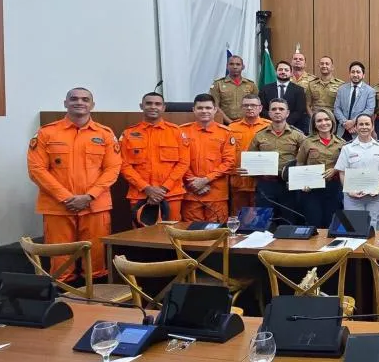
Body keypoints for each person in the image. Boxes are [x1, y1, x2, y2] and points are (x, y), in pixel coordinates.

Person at [27, 87, 121, 281]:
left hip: (95, 206)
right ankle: (63, 298)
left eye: (85, 99)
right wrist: (66, 197)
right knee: (60, 259)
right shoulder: (47, 133)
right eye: (74, 99)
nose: (80, 102)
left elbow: (113, 169)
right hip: (58, 207)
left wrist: (89, 196)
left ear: (92, 105)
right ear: (65, 103)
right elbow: (37, 170)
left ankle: (95, 300)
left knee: (96, 257)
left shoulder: (105, 134)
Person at [119, 92, 190, 224]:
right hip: (140, 194)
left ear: (163, 107)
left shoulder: (176, 132)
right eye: (149, 103)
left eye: (157, 104)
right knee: (141, 237)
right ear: (141, 106)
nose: (153, 107)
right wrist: (146, 188)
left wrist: (163, 189)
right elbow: (123, 165)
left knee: (172, 236)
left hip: (170, 194)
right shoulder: (129, 133)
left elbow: (183, 163)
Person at [180, 94, 236, 224]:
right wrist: (194, 182)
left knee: (216, 233)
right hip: (191, 193)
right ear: (193, 109)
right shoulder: (182, 131)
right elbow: (179, 161)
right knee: (192, 234)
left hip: (216, 195)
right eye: (200, 108)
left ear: (215, 110)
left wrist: (205, 180)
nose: (204, 111)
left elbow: (229, 162)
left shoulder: (226, 133)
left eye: (208, 108)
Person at [247, 98, 306, 222]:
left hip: (288, 185)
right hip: (265, 185)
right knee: (263, 222)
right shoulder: (259, 135)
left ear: (287, 113)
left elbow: (307, 158)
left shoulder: (298, 135)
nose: (277, 112)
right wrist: (249, 169)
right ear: (269, 113)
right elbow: (250, 158)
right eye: (274, 109)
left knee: (288, 222)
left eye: (281, 109)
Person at [335, 113, 379, 233]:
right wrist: (349, 190)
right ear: (356, 127)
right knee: (353, 230)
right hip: (352, 197)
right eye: (361, 124)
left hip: (375, 197)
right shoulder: (347, 148)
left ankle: (372, 252)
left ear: (372, 127)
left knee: (374, 229)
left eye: (367, 124)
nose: (364, 127)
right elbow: (342, 172)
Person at [296, 108, 345, 229]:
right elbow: (300, 163)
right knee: (314, 223)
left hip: (334, 188)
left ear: (332, 121)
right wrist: (303, 183)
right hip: (312, 190)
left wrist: (335, 169)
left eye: (327, 119)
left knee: (332, 224)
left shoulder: (342, 143)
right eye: (319, 121)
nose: (323, 123)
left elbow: (346, 166)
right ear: (314, 124)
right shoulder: (307, 142)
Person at [229, 94, 270, 213]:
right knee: (238, 217)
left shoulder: (269, 126)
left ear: (260, 108)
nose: (249, 108)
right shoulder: (231, 128)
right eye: (246, 105)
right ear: (241, 108)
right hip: (239, 181)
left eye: (253, 105)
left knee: (260, 217)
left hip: (261, 181)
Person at [260, 60, 309, 132]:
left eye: (286, 70)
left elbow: (299, 111)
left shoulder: (299, 90)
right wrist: (274, 121)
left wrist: (284, 123)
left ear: (291, 73)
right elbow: (262, 109)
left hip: (292, 128)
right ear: (275, 72)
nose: (283, 72)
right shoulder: (265, 89)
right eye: (280, 70)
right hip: (269, 127)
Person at [210, 55, 258, 124]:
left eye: (238, 64)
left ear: (243, 67)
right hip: (224, 123)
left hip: (247, 123)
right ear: (227, 66)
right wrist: (230, 122)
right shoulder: (218, 84)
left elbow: (256, 105)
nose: (235, 67)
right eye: (231, 64)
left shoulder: (251, 85)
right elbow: (215, 106)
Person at [333, 61, 375, 140]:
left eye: (358, 72)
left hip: (358, 130)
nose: (355, 75)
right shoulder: (341, 89)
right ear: (349, 74)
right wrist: (345, 123)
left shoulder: (370, 91)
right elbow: (337, 108)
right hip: (342, 130)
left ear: (363, 75)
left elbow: (369, 110)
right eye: (353, 72)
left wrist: (353, 122)